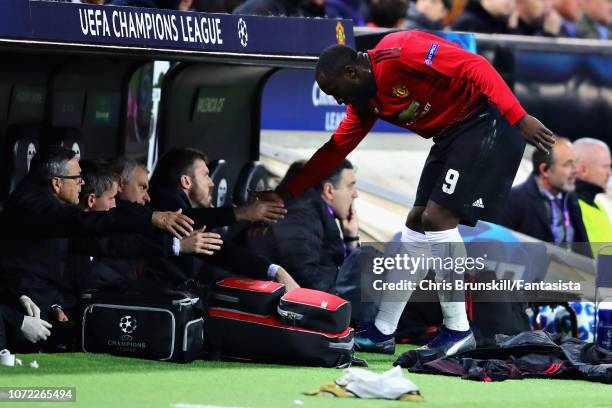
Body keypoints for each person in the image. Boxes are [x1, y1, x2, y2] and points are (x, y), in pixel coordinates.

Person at [254, 30, 555, 357]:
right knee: (416, 221)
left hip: (488, 122)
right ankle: (383, 331)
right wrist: (284, 193)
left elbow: (475, 65)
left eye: (335, 92)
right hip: (450, 136)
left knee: (437, 218)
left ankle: (457, 330)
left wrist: (518, 115)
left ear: (352, 73)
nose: (339, 101)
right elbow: (335, 149)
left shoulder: (401, 51)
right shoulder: (366, 104)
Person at [0, 146, 194, 323]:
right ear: (57, 183)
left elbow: (110, 243)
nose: (81, 183)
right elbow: (88, 223)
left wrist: (52, 305)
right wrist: (150, 217)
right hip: (18, 312)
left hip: (41, 304)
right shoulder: (34, 207)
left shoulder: (46, 207)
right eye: (77, 178)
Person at [145, 148, 300, 292]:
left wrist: (273, 269)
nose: (212, 183)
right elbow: (191, 221)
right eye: (205, 175)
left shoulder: (180, 207)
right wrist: (243, 212)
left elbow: (220, 249)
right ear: (186, 181)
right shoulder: (165, 202)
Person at [247, 160, 359, 292]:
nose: (355, 194)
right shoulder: (301, 215)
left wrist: (350, 238)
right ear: (329, 190)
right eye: (350, 186)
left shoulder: (314, 213)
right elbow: (310, 282)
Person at [501, 138, 589, 252]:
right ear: (545, 170)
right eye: (568, 164)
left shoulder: (571, 201)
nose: (575, 170)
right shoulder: (514, 200)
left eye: (575, 163)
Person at [573, 138, 612, 247]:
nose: (609, 173)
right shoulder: (567, 204)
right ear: (583, 169)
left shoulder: (598, 205)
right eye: (605, 166)